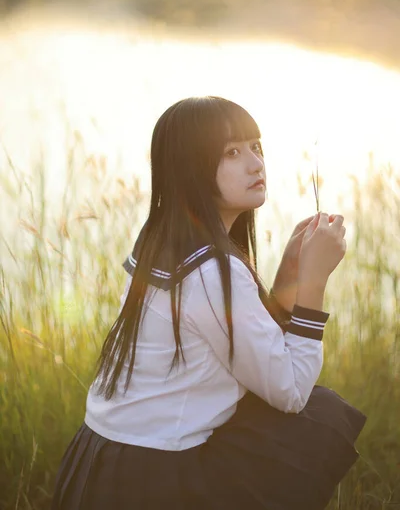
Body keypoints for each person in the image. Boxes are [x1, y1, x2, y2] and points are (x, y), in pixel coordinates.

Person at [51, 96, 367, 510]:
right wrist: (314, 282)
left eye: (256, 147)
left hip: (98, 463)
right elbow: (289, 391)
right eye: (232, 153)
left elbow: (253, 351)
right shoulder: (211, 269)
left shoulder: (162, 236)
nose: (255, 164)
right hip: (145, 482)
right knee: (320, 416)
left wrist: (290, 278)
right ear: (191, 167)